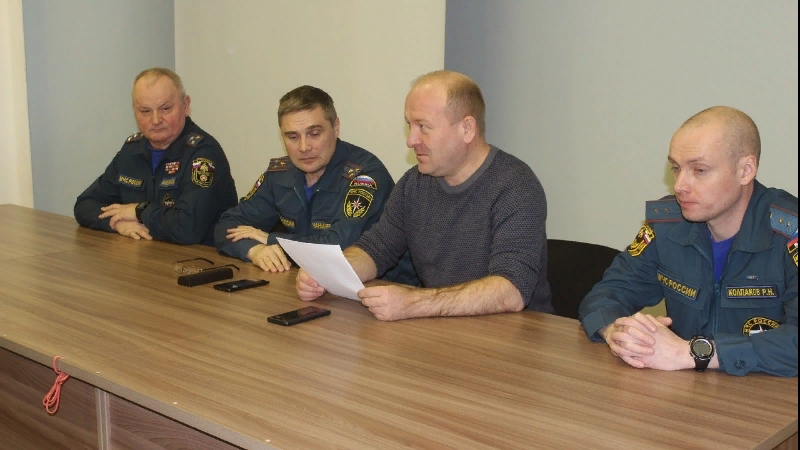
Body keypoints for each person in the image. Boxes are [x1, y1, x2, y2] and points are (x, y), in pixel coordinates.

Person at [296, 70, 553, 321]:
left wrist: (414, 303)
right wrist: (327, 273)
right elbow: (376, 249)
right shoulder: (415, 183)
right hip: (442, 326)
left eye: (423, 127)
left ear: (467, 129)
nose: (411, 140)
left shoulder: (516, 186)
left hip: (513, 336)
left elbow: (511, 291)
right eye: (410, 125)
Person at [579, 106, 797, 377]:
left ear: (745, 170)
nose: (679, 185)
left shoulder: (790, 233)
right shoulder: (667, 226)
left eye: (700, 170)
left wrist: (692, 352)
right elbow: (607, 293)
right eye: (676, 168)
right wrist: (617, 331)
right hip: (687, 392)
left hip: (769, 395)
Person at [215, 85, 414, 282]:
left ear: (336, 127)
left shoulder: (365, 176)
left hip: (380, 287)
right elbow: (227, 225)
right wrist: (255, 250)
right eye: (293, 137)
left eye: (314, 134)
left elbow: (338, 246)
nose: (304, 147)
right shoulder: (279, 175)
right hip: (308, 282)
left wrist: (270, 239)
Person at [74, 68, 237, 245]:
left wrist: (139, 211)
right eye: (145, 111)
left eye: (165, 108)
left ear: (185, 106)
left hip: (198, 257)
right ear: (134, 111)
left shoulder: (204, 154)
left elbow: (187, 228)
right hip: (146, 254)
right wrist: (117, 223)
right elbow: (85, 204)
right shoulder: (132, 151)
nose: (156, 120)